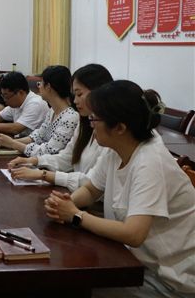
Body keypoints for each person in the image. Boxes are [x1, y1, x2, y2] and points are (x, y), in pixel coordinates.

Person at [44, 81, 195, 297]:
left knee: (66, 286)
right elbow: (92, 190)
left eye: (95, 118)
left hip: (169, 280)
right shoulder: (116, 148)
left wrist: (76, 216)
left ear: (120, 128)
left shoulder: (151, 162)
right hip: (136, 261)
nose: (90, 123)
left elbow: (134, 234)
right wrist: (66, 203)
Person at [7, 64, 114, 190]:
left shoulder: (76, 118)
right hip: (76, 191)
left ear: (99, 92)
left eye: (79, 94)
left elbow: (91, 181)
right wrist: (34, 161)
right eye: (74, 95)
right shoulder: (83, 122)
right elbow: (66, 157)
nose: (75, 101)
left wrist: (43, 174)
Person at [0, 66, 79, 157]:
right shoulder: (52, 111)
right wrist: (9, 142)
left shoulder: (70, 117)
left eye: (40, 83)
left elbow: (49, 151)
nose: (39, 87)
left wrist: (13, 144)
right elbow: (38, 136)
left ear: (48, 87)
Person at [0, 71, 49, 137]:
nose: (4, 100)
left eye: (6, 96)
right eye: (2, 96)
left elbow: (16, 129)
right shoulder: (16, 103)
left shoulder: (35, 104)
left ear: (20, 93)